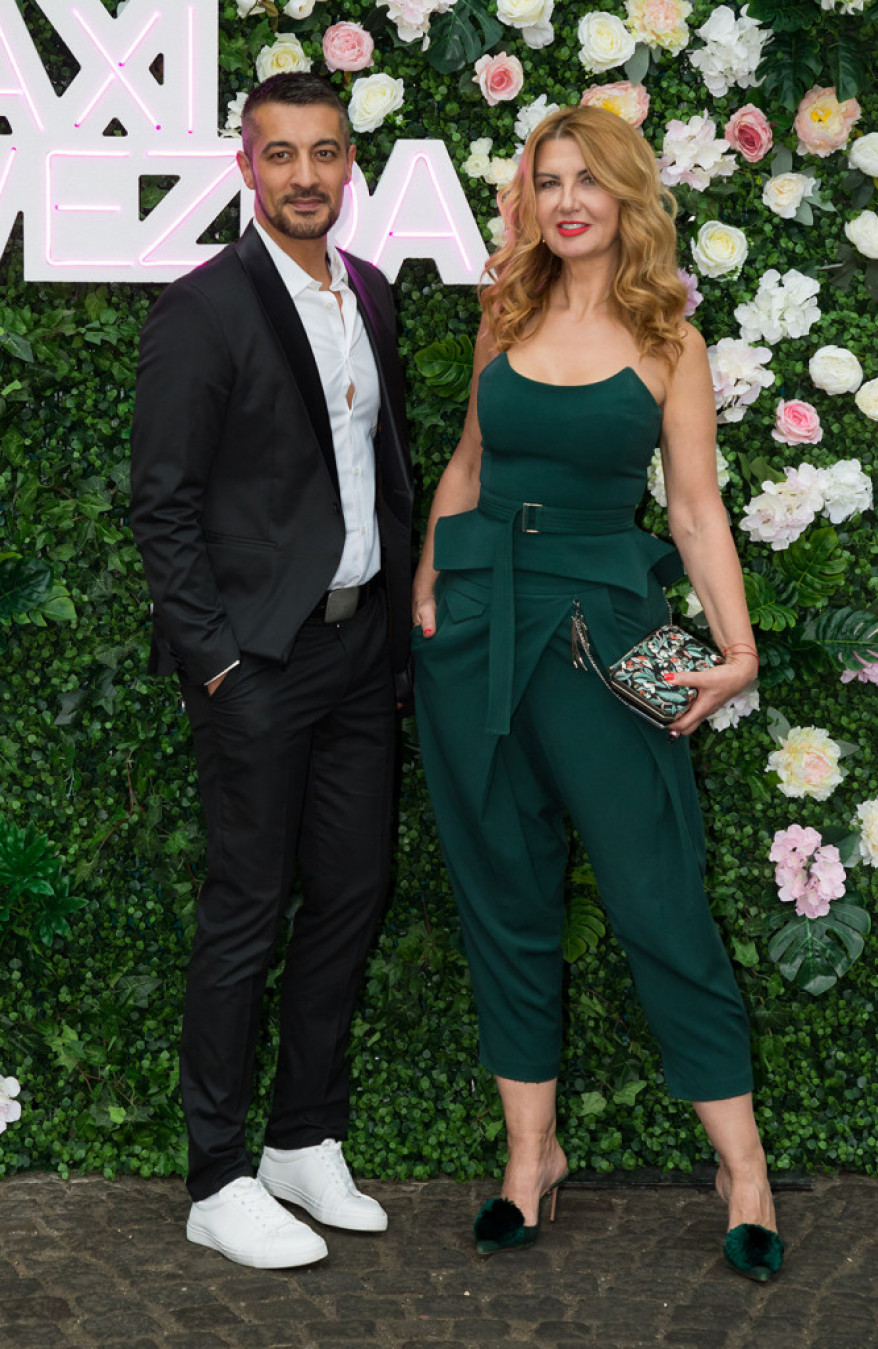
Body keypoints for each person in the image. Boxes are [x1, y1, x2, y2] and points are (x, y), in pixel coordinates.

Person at [411, 105, 783, 1281]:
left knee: (657, 893)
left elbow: (695, 508)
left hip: (603, 636)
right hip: (476, 631)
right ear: (529, 197)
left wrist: (739, 646)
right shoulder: (505, 311)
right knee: (504, 892)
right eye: (549, 178)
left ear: (626, 196)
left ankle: (744, 1169)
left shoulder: (671, 337)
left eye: (588, 179)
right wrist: (428, 582)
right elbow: (469, 462)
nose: (567, 199)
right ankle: (531, 1157)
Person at [130, 72, 413, 1269]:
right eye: (280, 153)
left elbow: (383, 468)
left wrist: (395, 628)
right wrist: (218, 668)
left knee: (351, 893)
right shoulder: (205, 309)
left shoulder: (373, 295)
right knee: (245, 913)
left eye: (326, 152)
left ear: (351, 164)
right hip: (257, 663)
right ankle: (215, 1174)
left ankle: (303, 1137)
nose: (306, 174)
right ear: (246, 167)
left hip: (359, 651)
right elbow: (162, 505)